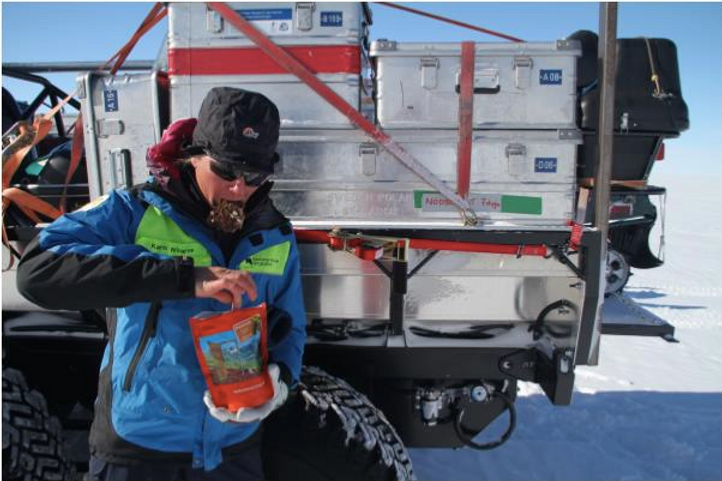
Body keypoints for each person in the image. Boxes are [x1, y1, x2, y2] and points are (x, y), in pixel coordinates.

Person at [17, 87, 307, 480]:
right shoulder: (132, 210)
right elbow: (39, 270)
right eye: (225, 170)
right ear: (195, 155)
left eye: (254, 175)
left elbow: (292, 326)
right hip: (138, 450)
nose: (239, 188)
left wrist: (279, 383)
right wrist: (182, 277)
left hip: (232, 451)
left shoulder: (276, 234)